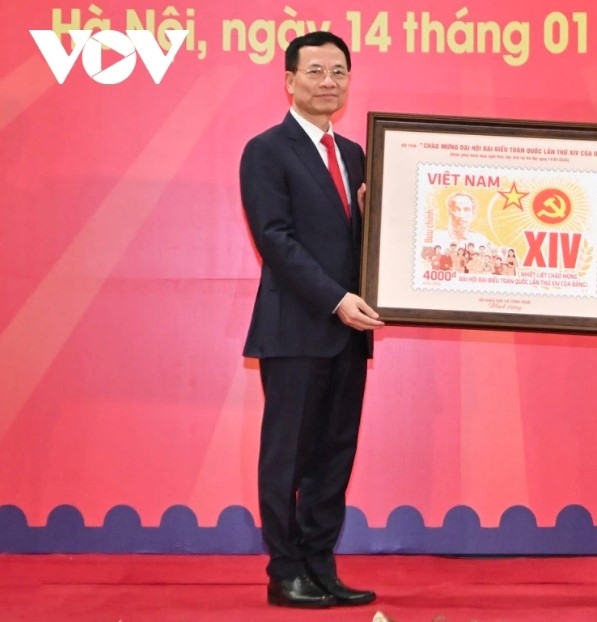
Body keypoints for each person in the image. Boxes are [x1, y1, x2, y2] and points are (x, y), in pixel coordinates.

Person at [239, 31, 385, 609]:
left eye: (339, 72)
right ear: (290, 79)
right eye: (316, 71)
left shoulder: (355, 154)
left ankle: (321, 565)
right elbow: (276, 240)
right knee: (288, 455)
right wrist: (335, 300)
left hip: (350, 334)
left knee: (333, 456)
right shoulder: (266, 149)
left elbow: (372, 243)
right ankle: (285, 570)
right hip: (297, 329)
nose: (329, 82)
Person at [429, 191, 493, 250]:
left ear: (473, 214)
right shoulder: (435, 238)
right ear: (449, 211)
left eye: (466, 209)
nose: (461, 215)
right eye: (456, 209)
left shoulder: (481, 241)